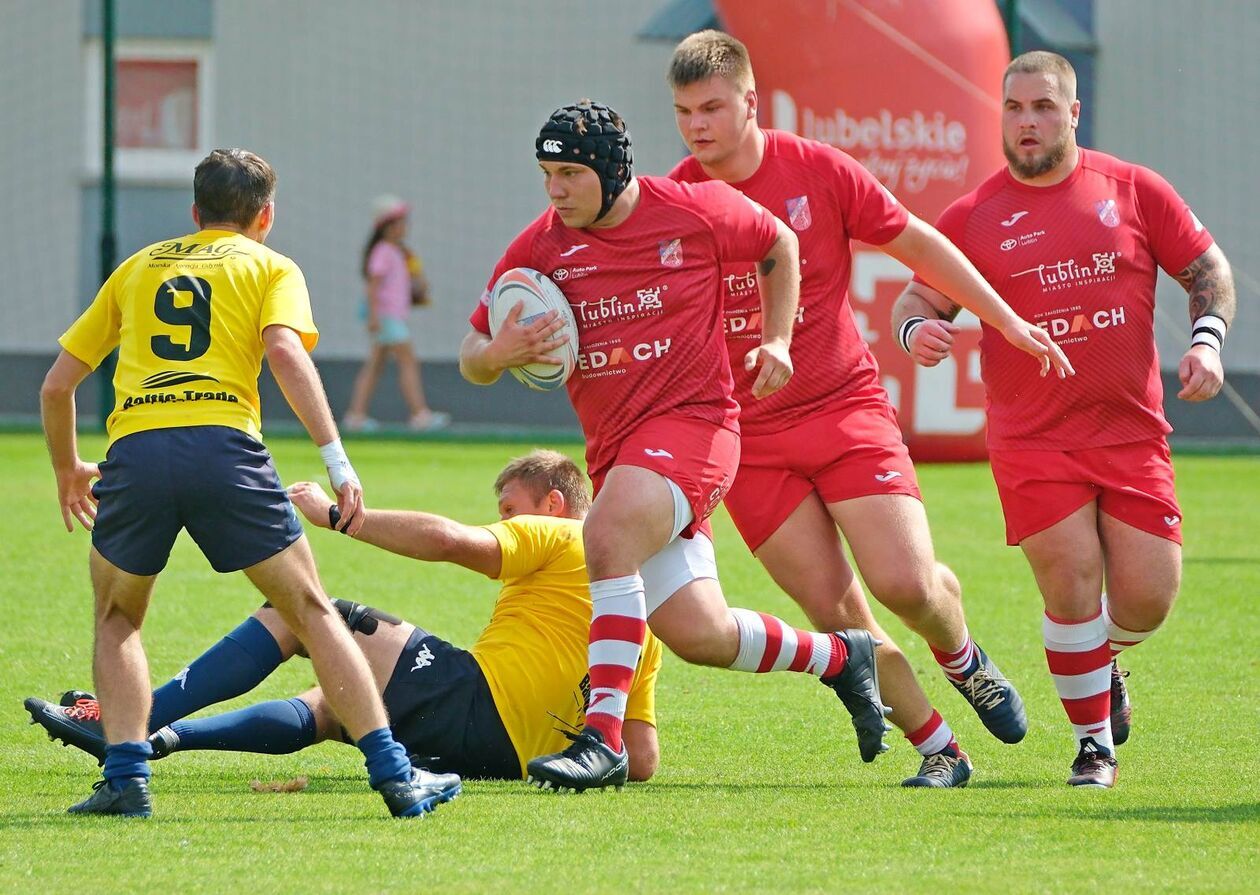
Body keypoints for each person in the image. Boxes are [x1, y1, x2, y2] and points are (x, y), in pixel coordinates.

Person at [666, 31, 1073, 787]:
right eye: (685, 110)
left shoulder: (816, 169)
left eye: (713, 107)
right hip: (748, 440)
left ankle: (964, 658)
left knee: (907, 584)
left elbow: (922, 244)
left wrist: (1005, 319)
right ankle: (941, 748)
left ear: (750, 102)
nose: (698, 125)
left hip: (842, 407)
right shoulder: (677, 198)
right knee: (838, 612)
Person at [460, 99, 889, 793]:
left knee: (604, 530)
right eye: (546, 174)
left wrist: (776, 339)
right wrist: (498, 350)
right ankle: (841, 655)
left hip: (699, 428)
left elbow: (779, 241)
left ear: (608, 169)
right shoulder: (541, 244)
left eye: (569, 173)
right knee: (700, 633)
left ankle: (601, 738)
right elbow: (470, 354)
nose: (555, 190)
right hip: (621, 452)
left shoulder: (694, 210)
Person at [37, 148, 455, 818]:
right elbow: (286, 350)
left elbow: (58, 384)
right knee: (313, 612)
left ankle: (125, 781)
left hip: (135, 451)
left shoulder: (138, 266)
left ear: (194, 212)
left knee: (118, 617)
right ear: (265, 215)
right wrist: (336, 458)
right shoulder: (271, 265)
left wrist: (67, 467)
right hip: (225, 448)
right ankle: (397, 776)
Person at [892, 52, 1236, 788]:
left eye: (1043, 107)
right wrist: (915, 332)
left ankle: (1096, 660)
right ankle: (1092, 746)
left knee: (1149, 597)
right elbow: (916, 301)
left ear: (1073, 112)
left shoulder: (1135, 190)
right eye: (1014, 108)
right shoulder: (973, 215)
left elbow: (1209, 271)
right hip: (1032, 437)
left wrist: (1207, 343)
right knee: (1071, 582)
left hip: (1131, 431)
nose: (1026, 122)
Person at [26, 451, 663, 783]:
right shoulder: (641, 620)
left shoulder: (569, 536)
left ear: (553, 504)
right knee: (341, 703)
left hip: (476, 703)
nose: (504, 519)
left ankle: (128, 724)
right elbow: (642, 755)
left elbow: (449, 541)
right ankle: (164, 739)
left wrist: (340, 516)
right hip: (502, 757)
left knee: (314, 616)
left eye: (511, 508)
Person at [343, 194, 450, 432]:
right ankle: (420, 414)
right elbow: (373, 285)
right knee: (407, 360)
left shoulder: (398, 252)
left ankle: (356, 415)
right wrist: (373, 316)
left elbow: (405, 284)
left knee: (375, 364)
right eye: (400, 222)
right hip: (386, 316)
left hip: (390, 316)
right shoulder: (383, 250)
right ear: (388, 226)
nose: (405, 227)